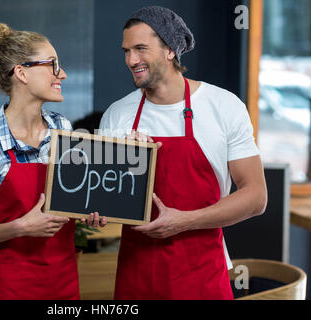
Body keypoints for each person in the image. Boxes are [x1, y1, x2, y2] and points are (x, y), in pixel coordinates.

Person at [99, 6, 267, 300]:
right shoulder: (118, 114)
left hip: (202, 274)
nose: (131, 60)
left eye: (140, 49)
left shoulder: (224, 107)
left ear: (170, 50)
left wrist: (183, 220)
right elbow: (102, 198)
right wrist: (96, 210)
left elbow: (256, 197)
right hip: (136, 274)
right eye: (126, 51)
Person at [0, 23, 104, 300]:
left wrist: (92, 209)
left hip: (65, 284)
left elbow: (76, 198)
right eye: (53, 65)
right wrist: (20, 227)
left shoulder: (64, 129)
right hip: (11, 287)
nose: (63, 74)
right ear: (21, 72)